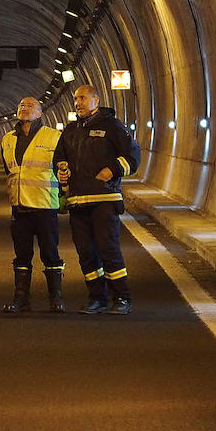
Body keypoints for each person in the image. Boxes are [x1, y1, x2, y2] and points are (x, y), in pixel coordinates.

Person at [54, 85, 140, 315]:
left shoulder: (112, 126)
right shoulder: (71, 131)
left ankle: (122, 297)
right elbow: (59, 158)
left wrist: (112, 170)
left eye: (82, 98)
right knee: (85, 253)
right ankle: (97, 298)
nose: (78, 102)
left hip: (104, 198)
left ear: (96, 100)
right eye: (75, 99)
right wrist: (60, 170)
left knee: (107, 248)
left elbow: (132, 156)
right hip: (78, 201)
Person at [1, 97, 65, 313]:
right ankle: (21, 299)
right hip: (19, 205)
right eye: (21, 105)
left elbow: (63, 168)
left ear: (40, 113)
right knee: (21, 254)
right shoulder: (8, 139)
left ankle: (55, 299)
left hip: (45, 203)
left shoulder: (53, 137)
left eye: (30, 106)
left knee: (50, 252)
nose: (24, 108)